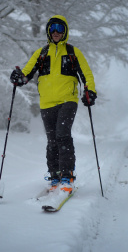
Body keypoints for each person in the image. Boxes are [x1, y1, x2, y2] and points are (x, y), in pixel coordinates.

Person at [10, 15, 97, 194]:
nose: (56, 32)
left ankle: (67, 175)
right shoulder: (41, 53)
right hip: (47, 102)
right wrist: (19, 78)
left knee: (62, 135)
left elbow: (86, 75)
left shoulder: (73, 52)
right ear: (48, 31)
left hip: (68, 100)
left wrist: (90, 91)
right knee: (52, 140)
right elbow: (27, 72)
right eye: (52, 28)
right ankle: (54, 174)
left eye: (59, 28)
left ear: (65, 31)